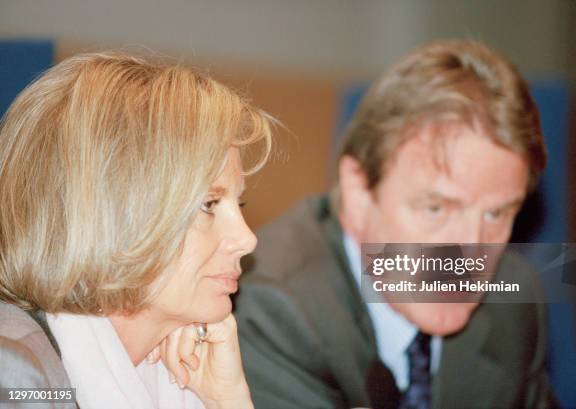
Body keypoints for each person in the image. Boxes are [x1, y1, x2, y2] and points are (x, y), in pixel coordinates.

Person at [234, 40, 558, 409]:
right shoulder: (275, 311)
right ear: (358, 192)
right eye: (436, 208)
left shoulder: (513, 306)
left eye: (495, 214)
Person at [0, 51, 272, 409]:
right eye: (208, 205)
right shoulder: (17, 376)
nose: (247, 240)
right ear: (112, 214)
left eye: (239, 205)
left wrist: (228, 402)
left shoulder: (173, 376)